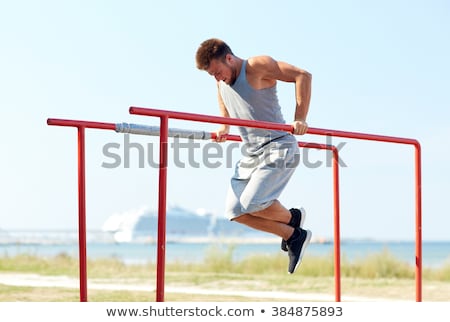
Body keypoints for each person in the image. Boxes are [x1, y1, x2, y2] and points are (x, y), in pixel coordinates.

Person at [195, 38, 312, 274]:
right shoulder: (221, 81)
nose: (217, 78)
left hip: (278, 146)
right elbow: (222, 94)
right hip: (250, 153)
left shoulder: (257, 66)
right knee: (235, 211)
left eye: (218, 72)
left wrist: (299, 117)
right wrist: (224, 126)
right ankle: (293, 233)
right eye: (212, 76)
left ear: (229, 58)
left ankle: (293, 218)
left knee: (253, 203)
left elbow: (303, 75)